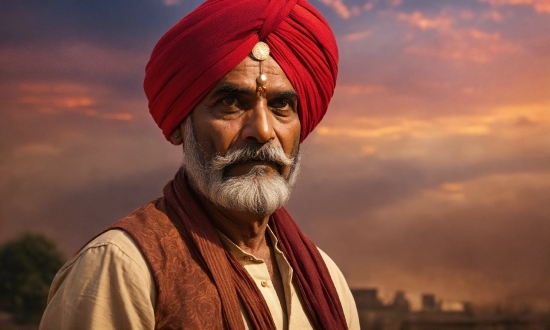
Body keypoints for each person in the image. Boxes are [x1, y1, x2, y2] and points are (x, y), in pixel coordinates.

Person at [40, 0, 359, 329]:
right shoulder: (121, 269)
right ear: (180, 125)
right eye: (231, 103)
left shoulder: (326, 282)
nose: (263, 131)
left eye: (281, 105)